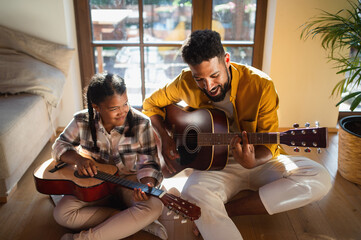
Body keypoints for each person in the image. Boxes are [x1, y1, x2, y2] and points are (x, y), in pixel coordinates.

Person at [142, 30, 332, 240]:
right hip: (215, 165)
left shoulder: (261, 84)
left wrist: (253, 161)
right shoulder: (185, 81)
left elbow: (268, 145)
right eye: (200, 79)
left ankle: (230, 210)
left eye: (214, 75)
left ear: (227, 60)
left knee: (319, 177)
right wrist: (166, 137)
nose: (209, 86)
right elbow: (150, 104)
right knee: (191, 193)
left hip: (260, 161)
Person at [52, 73, 168, 240]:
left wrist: (147, 183)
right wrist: (78, 159)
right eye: (114, 108)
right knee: (62, 214)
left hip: (128, 182)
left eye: (125, 104)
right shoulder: (82, 120)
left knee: (155, 206)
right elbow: (59, 145)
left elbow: (149, 163)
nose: (123, 112)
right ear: (96, 107)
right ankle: (128, 220)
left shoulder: (141, 123)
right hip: (95, 185)